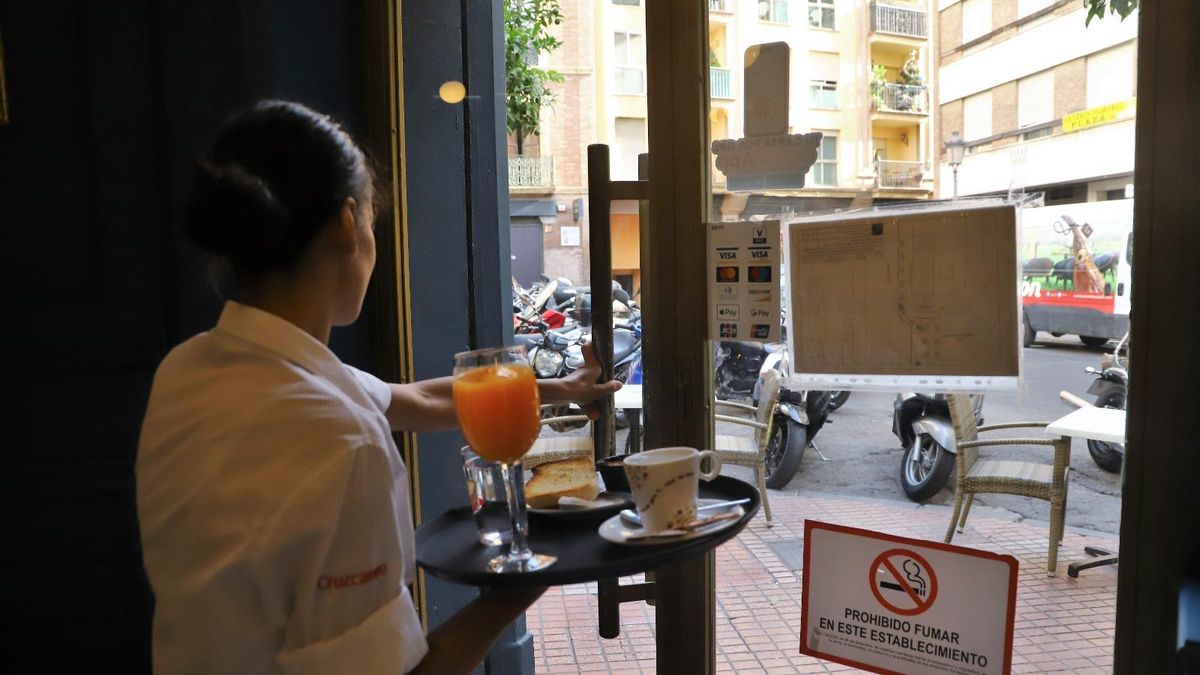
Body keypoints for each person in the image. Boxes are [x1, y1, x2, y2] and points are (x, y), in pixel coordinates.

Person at [137, 100, 620, 674]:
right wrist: (531, 576)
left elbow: (413, 400)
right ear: (348, 224)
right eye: (372, 217)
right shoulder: (341, 442)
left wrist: (561, 389)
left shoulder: (191, 369)